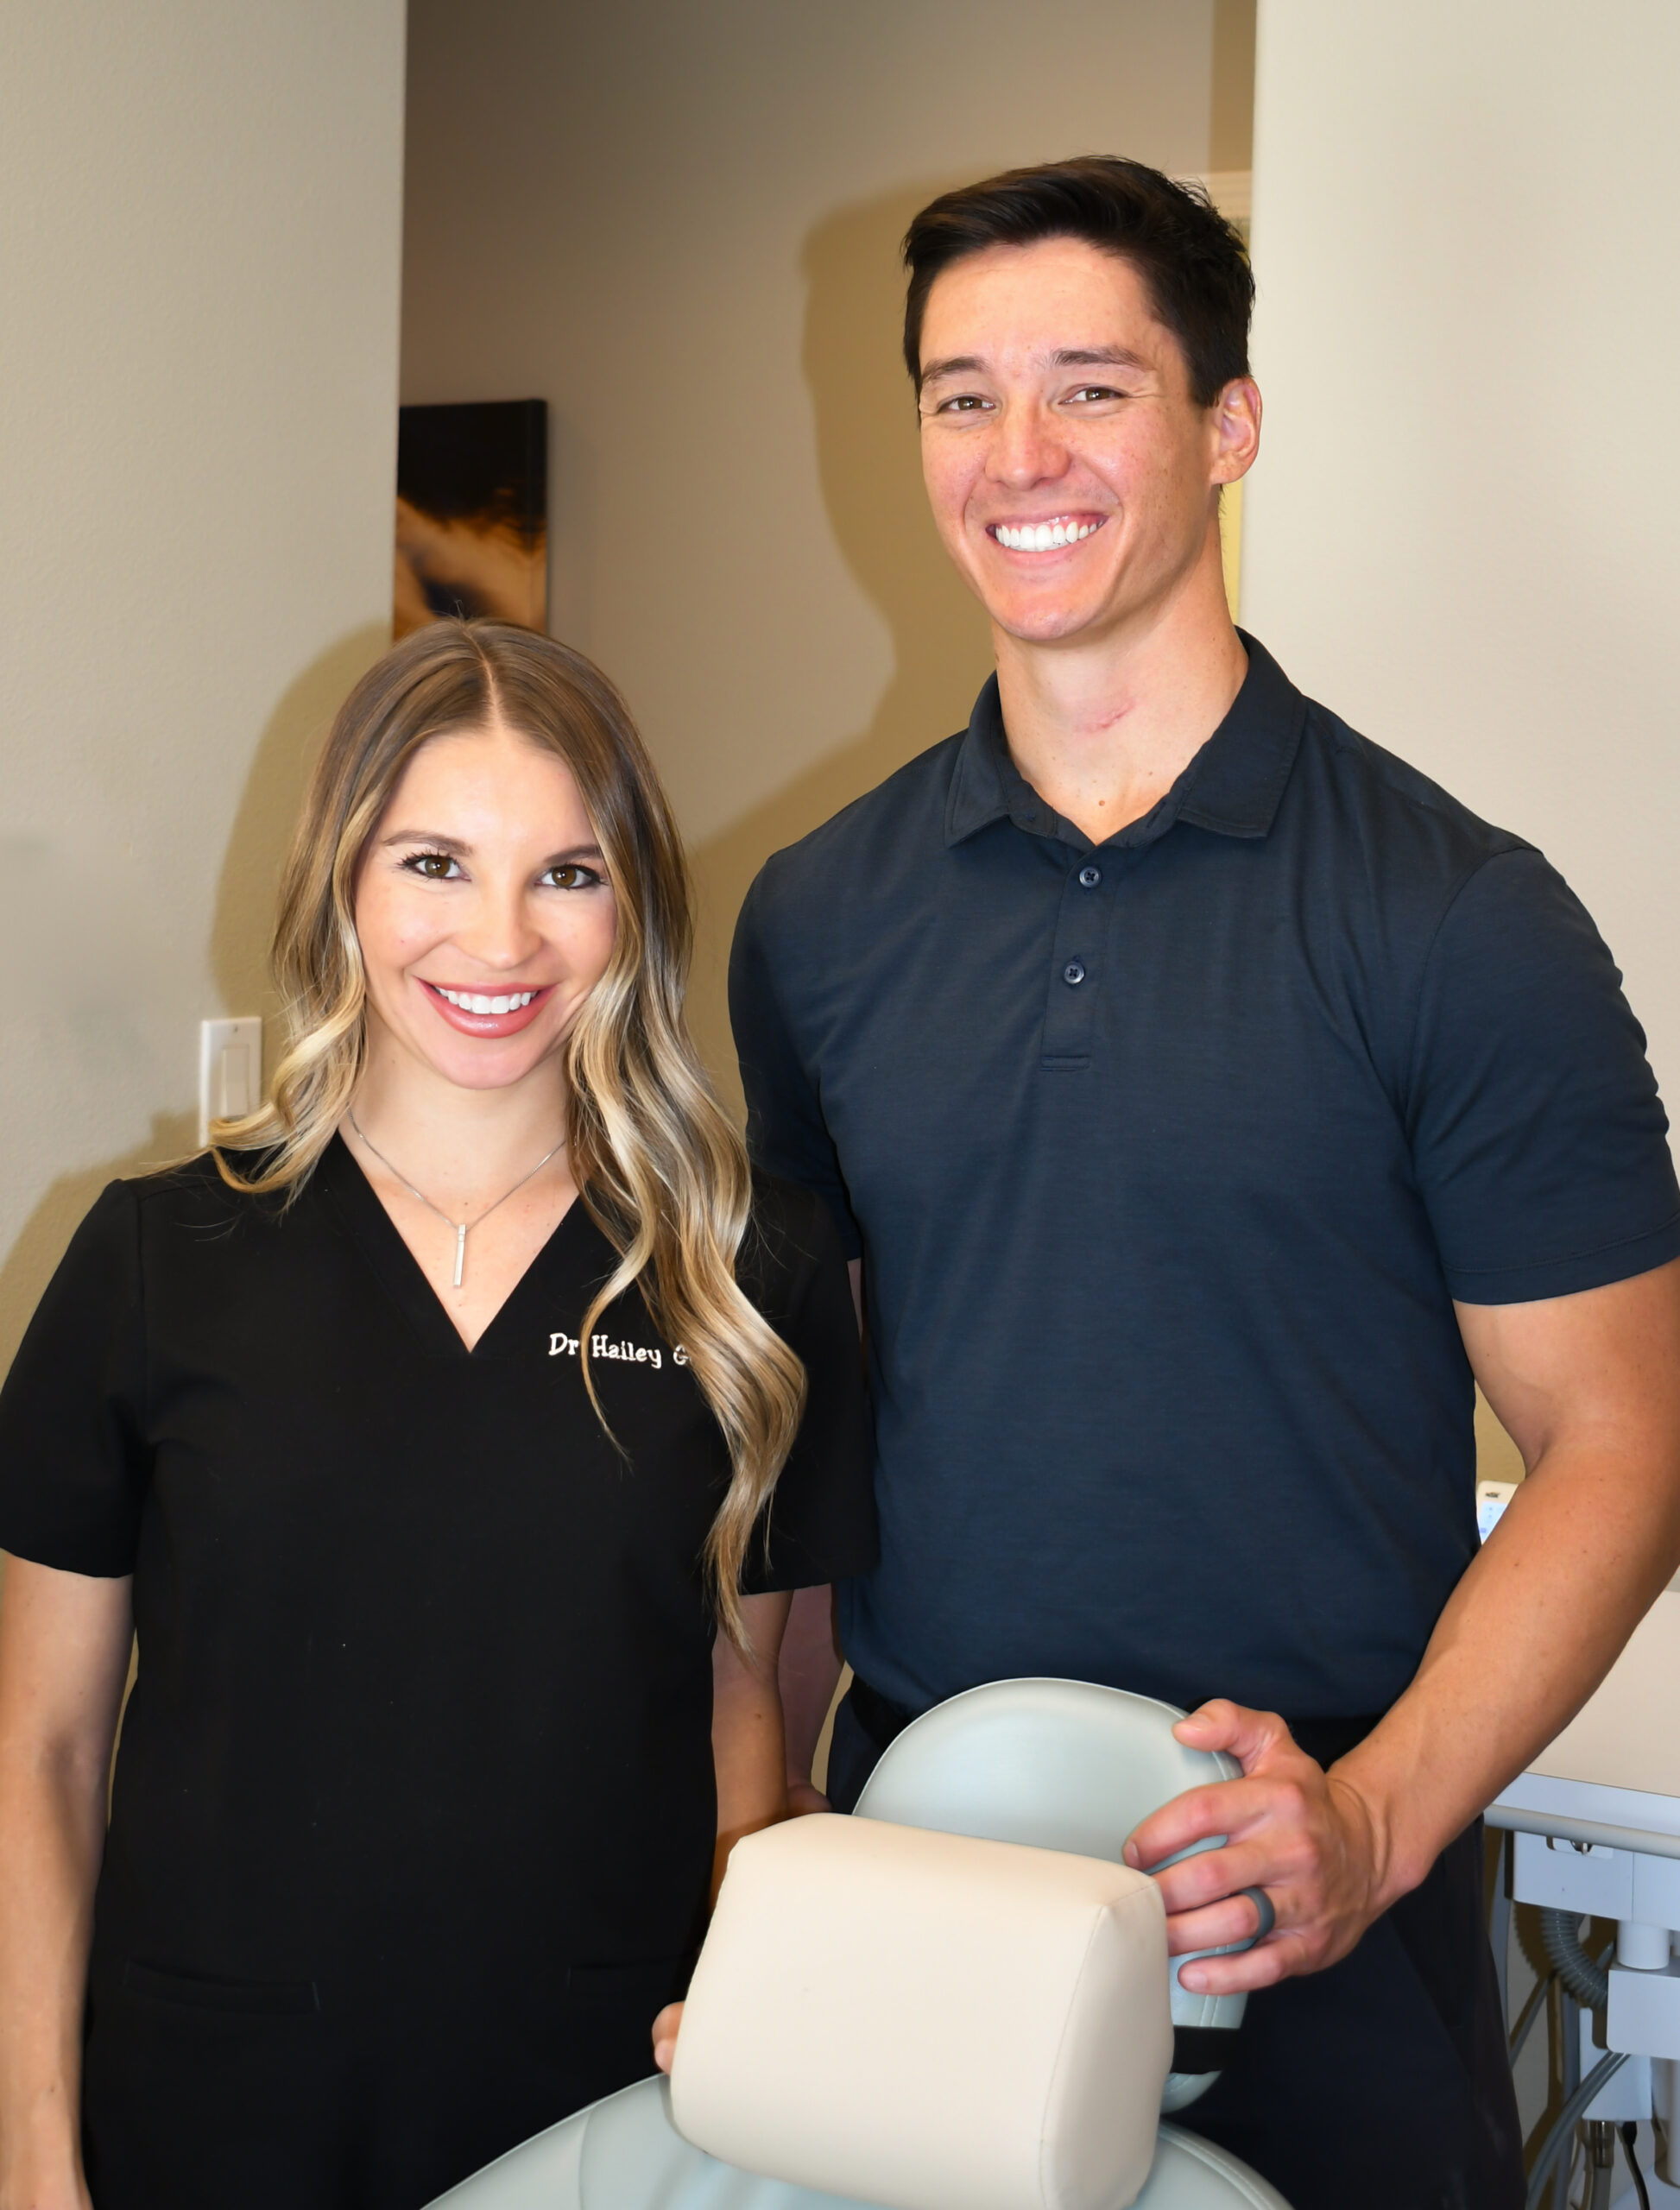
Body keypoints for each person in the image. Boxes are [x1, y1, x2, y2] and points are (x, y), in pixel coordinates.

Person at [722, 159, 1680, 2208]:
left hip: (1312, 1858)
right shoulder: (818, 918)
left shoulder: (1454, 917)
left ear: (1225, 423)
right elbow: (803, 1430)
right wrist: (759, 1842)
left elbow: (1624, 1433)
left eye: (1089, 386)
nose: (1017, 454)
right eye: (959, 394)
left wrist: (1372, 1816)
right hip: (927, 1860)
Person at [0, 620, 875, 2210]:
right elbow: (42, 1753)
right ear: (341, 878)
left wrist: (749, 2045)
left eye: (564, 873)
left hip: (608, 2114)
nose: (498, 942)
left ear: (632, 907)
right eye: (433, 863)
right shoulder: (151, 1262)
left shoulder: (753, 1273)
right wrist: (36, 2157)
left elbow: (747, 1708)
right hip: (208, 2106)